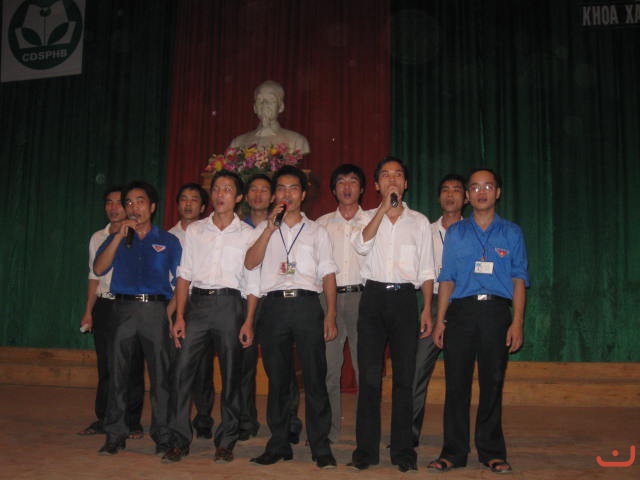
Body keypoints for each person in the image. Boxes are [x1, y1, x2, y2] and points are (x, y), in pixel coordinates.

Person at [428, 168, 529, 474]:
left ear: (497, 192)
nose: (481, 192)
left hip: (496, 313)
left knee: (492, 383)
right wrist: (441, 320)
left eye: (487, 186)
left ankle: (492, 451)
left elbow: (519, 279)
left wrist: (517, 322)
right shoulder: (456, 233)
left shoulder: (512, 232)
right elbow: (447, 278)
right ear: (468, 196)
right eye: (474, 187)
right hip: (461, 313)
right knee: (456, 385)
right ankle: (453, 452)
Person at [162, 171, 259, 464]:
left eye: (227, 189)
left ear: (238, 197)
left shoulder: (248, 234)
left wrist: (248, 320)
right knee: (182, 373)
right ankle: (178, 439)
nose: (220, 194)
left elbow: (253, 282)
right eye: (216, 188)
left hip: (231, 305)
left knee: (231, 376)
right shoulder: (196, 231)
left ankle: (226, 440)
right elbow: (184, 275)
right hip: (197, 305)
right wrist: (180, 316)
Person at [244, 165, 337, 469]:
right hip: (273, 308)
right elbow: (250, 263)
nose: (287, 194)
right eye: (281, 188)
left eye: (293, 188)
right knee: (278, 379)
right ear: (275, 195)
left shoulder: (317, 231)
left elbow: (328, 274)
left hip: (307, 305)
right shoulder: (263, 228)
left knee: (314, 377)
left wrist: (331, 314)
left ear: (303, 194)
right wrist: (269, 230)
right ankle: (279, 443)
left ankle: (320, 446)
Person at [348, 156, 435, 473]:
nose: (392, 179)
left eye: (398, 174)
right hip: (372, 298)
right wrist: (383, 210)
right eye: (385, 175)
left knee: (404, 379)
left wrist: (427, 308)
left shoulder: (420, 222)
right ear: (376, 184)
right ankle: (365, 451)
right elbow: (360, 246)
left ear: (406, 183)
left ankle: (403, 450)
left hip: (405, 300)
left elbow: (427, 269)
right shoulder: (365, 217)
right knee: (369, 378)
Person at [94, 181, 182, 456]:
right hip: (122, 309)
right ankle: (115, 434)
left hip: (156, 310)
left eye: (140, 201)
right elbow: (99, 268)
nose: (134, 208)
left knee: (161, 376)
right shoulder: (117, 237)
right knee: (118, 374)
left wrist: (171, 314)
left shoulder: (168, 240)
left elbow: (182, 281)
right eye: (129, 203)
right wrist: (118, 237)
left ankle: (163, 434)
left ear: (152, 206)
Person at [238, 174, 303, 444]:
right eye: (253, 190)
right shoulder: (239, 228)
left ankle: (290, 420)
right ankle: (245, 420)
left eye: (264, 190)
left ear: (274, 196)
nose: (258, 195)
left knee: (283, 365)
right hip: (245, 301)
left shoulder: (285, 225)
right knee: (244, 364)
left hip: (274, 301)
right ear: (245, 196)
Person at [78, 186, 145, 439]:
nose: (113, 208)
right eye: (109, 202)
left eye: (119, 203)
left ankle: (132, 421)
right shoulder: (98, 237)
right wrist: (89, 311)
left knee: (133, 365)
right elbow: (94, 276)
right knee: (106, 365)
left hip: (130, 305)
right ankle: (104, 417)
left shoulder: (139, 234)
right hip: (105, 305)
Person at [411, 173, 466, 446]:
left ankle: (455, 441)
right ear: (438, 197)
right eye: (445, 190)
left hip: (463, 304)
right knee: (416, 372)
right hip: (431, 304)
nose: (450, 194)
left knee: (459, 376)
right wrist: (427, 308)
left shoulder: (473, 232)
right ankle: (408, 436)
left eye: (456, 190)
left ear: (466, 197)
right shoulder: (426, 231)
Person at [316, 164, 368, 443]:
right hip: (329, 301)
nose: (347, 187)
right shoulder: (321, 225)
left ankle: (365, 432)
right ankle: (329, 429)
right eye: (341, 182)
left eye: (353, 181)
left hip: (364, 299)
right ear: (334, 190)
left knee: (365, 371)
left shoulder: (373, 221)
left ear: (362, 188)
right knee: (329, 370)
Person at [168, 183, 215, 440]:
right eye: (183, 199)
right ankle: (176, 419)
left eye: (194, 199)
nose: (188, 204)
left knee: (203, 367)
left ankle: (204, 417)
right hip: (172, 305)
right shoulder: (167, 237)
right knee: (177, 366)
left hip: (199, 305)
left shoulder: (209, 234)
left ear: (203, 206)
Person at [229, 80, 310, 155]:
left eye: (271, 99)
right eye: (260, 99)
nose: (264, 104)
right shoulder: (237, 143)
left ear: (281, 107)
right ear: (254, 108)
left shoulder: (297, 141)